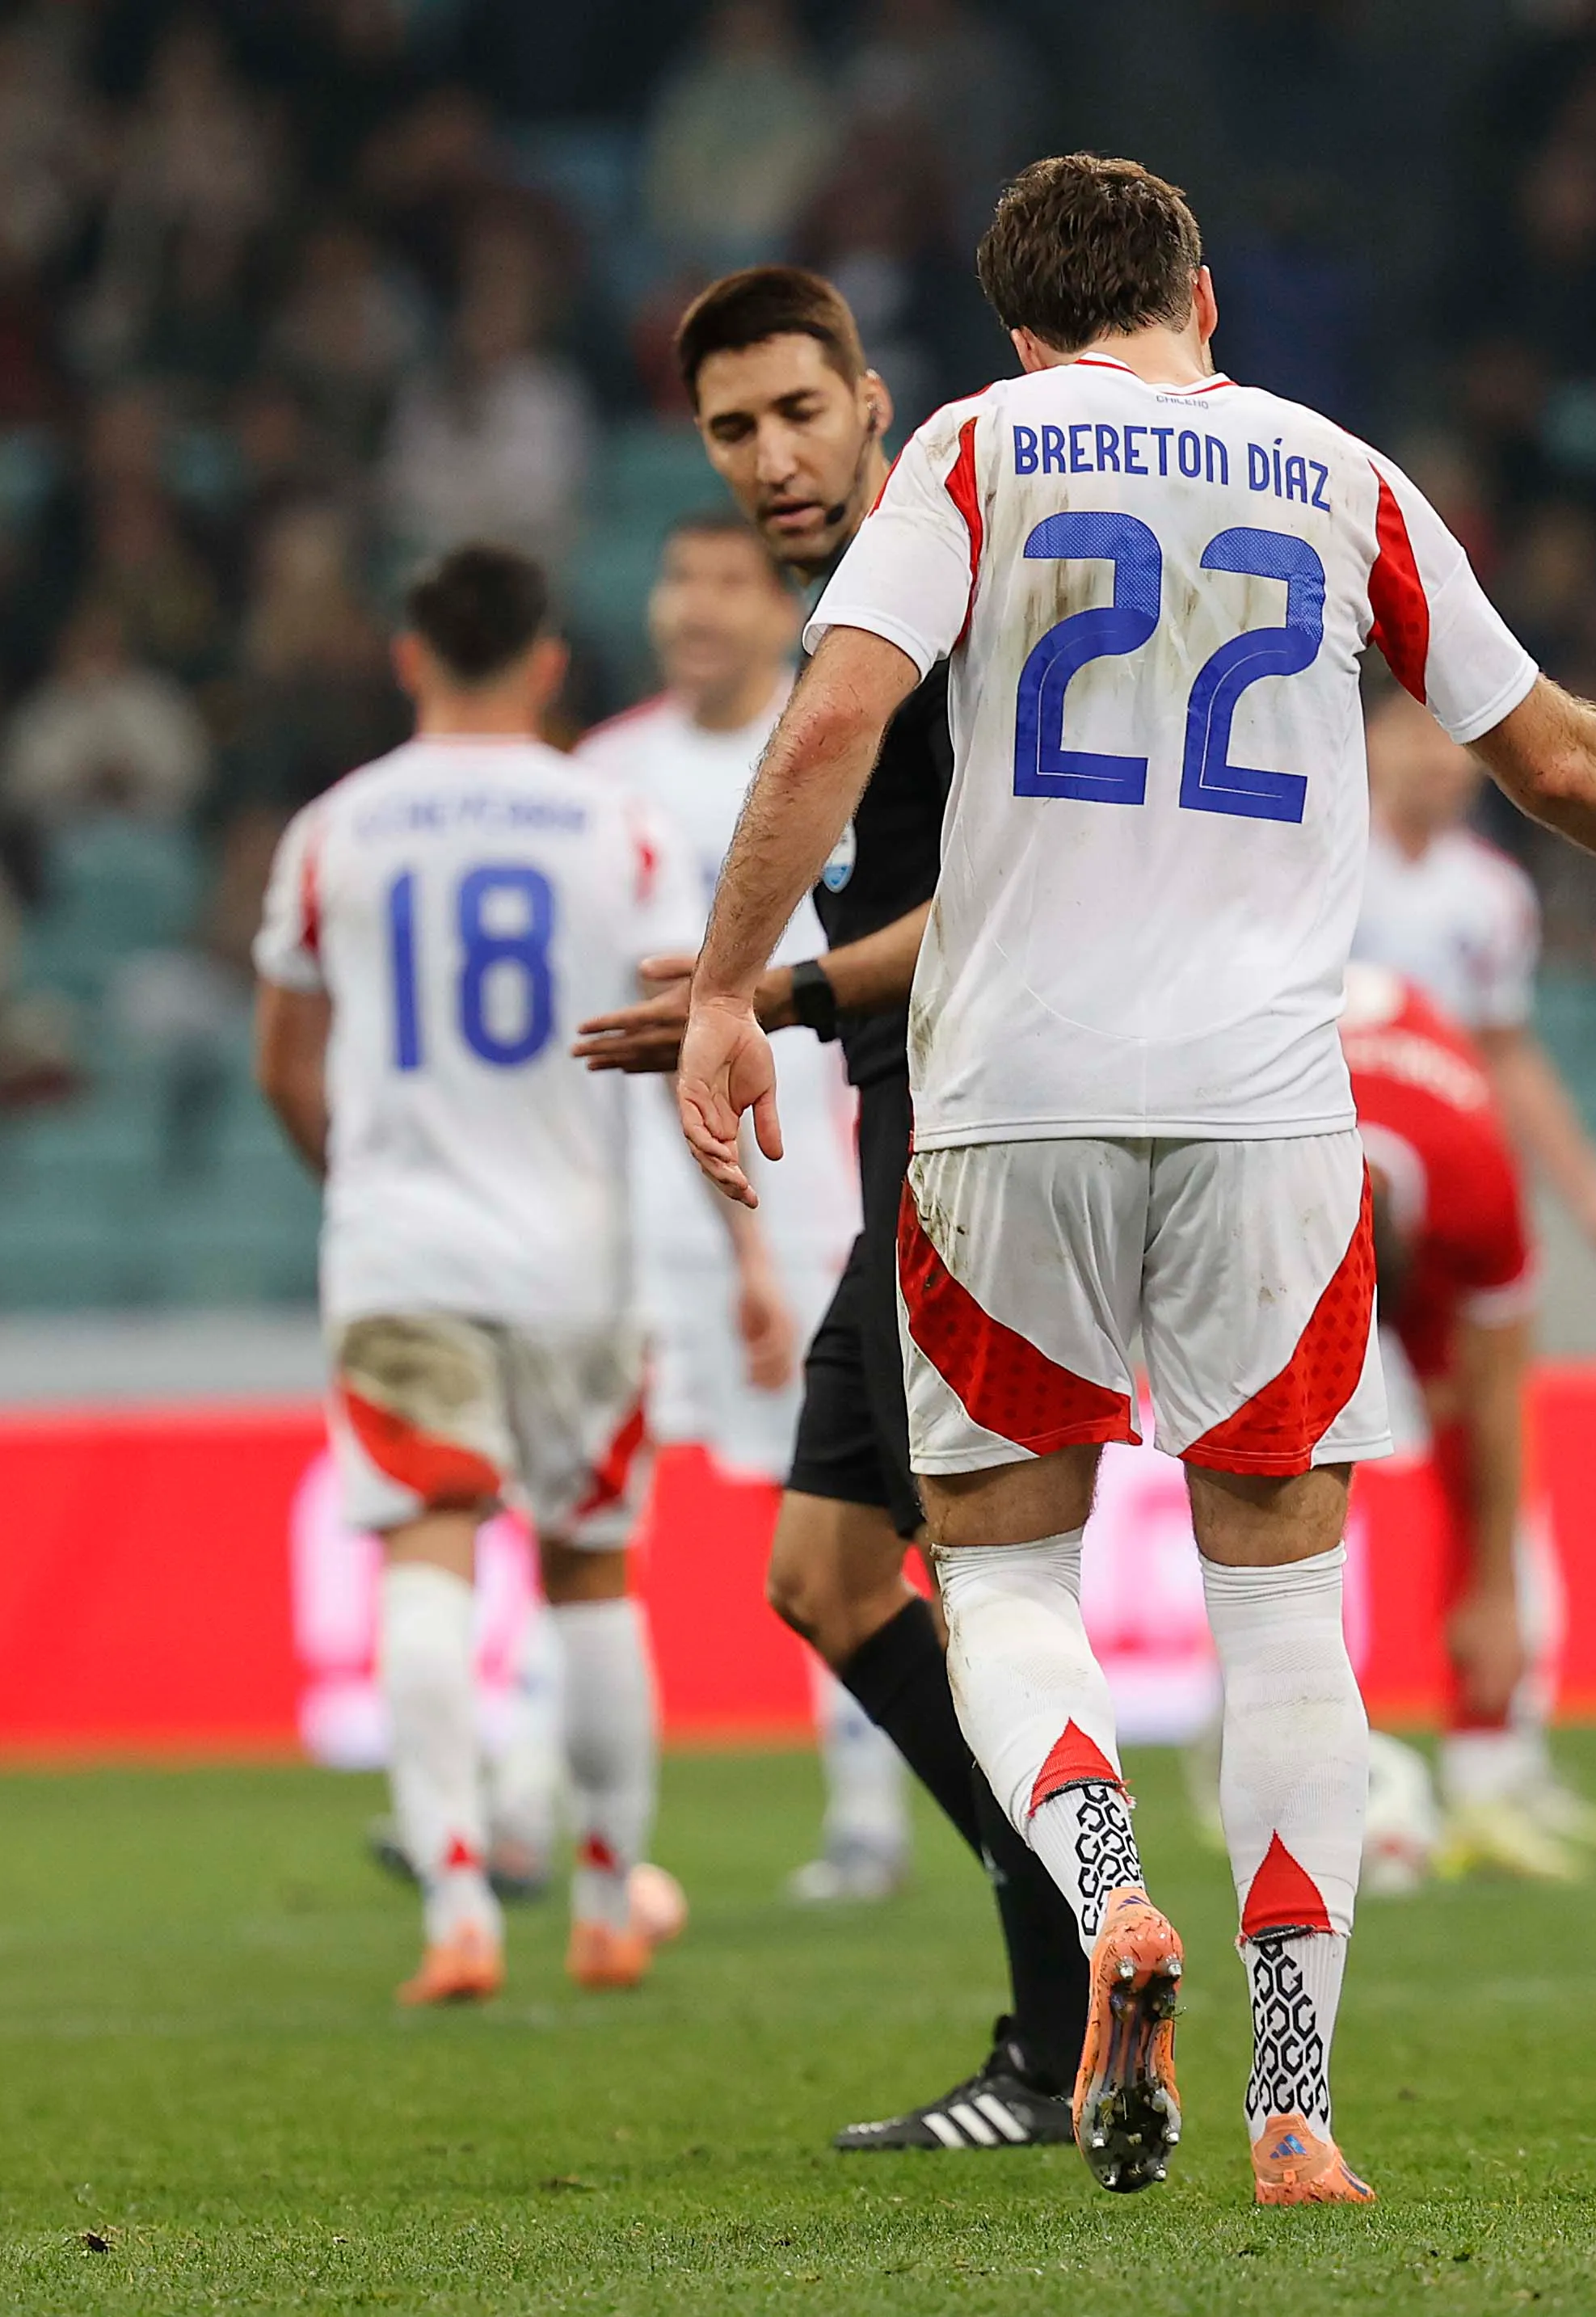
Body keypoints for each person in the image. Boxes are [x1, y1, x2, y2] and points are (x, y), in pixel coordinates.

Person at [671, 157, 1596, 2205]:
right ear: (1203, 300)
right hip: (1270, 1110)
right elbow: (1552, 751)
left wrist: (721, 985)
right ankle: (1295, 2096)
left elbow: (829, 726)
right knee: (1286, 1600)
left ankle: (1108, 1883)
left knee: (1008, 1565)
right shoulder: (1338, 476)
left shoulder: (967, 452)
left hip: (1010, 1102)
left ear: (1019, 328)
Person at [571, 263, 1097, 2158]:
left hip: (971, 1140)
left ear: (878, 401)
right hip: (910, 1149)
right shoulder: (857, 604)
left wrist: (768, 997)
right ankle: (1074, 1936)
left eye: (803, 409)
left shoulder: (936, 595)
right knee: (825, 1575)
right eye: (734, 429)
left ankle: (1066, 2014)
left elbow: (1011, 901)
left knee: (985, 1584)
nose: (774, 456)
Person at [251, 545, 700, 2007]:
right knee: (588, 1568)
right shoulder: (619, 826)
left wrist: (360, 1182)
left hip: (404, 1246)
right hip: (580, 1246)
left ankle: (455, 1899)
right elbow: (688, 1020)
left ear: (408, 657)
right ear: (550, 663)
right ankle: (609, 1892)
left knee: (427, 1555)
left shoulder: (337, 829)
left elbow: (284, 1056)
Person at [572, 509, 913, 1910]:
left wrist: (763, 1243)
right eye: (675, 574)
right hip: (622, 1216)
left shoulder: (828, 745)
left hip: (793, 1190)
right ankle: (558, 1821)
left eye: (725, 580)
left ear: (786, 615)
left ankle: (867, 1812)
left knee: (827, 1507)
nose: (693, 605)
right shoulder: (602, 773)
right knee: (584, 1515)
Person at [1353, 693, 1596, 1851]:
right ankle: (1298, 1760)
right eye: (1414, 739)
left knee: (1491, 1471)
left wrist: (1592, 1197)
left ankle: (1500, 1755)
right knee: (1296, 1486)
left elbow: (1513, 1053)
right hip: (1308, 1203)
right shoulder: (1310, 851)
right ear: (1367, 747)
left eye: (1452, 744)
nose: (1437, 762)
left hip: (1446, 1198)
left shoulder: (1490, 896)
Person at [1336, 960, 1573, 1881]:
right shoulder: (1239, 1156)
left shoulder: (1474, 1175)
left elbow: (1499, 1383)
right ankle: (1284, 1760)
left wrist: (1495, 1583)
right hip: (1279, 1198)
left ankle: (1487, 1770)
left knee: (1472, 1449)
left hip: (1410, 1203)